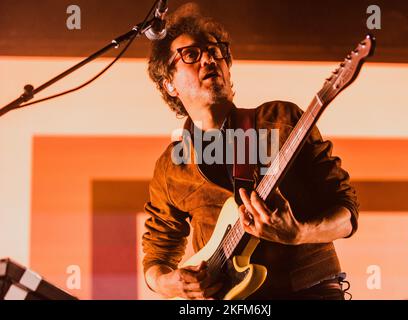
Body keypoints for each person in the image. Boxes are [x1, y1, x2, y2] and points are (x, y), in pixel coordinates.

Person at [142, 5, 359, 300]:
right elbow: (158, 252)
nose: (209, 59)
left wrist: (301, 233)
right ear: (169, 84)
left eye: (216, 51)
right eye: (191, 55)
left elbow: (346, 213)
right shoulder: (171, 166)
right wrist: (169, 284)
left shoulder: (282, 120)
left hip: (309, 291)